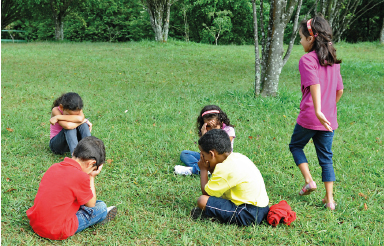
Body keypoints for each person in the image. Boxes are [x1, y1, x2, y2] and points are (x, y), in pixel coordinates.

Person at [289, 15, 344, 210]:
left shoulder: (307, 60)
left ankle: (309, 181)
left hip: (311, 115)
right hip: (328, 118)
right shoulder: (333, 61)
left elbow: (314, 85)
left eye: (302, 38)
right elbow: (340, 91)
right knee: (326, 158)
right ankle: (330, 200)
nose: (301, 42)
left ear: (311, 38)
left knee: (295, 146)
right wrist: (327, 109)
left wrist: (318, 111)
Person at [26, 136, 117, 240]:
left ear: (74, 152)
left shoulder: (54, 167)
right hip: (56, 230)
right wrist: (91, 176)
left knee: (80, 200)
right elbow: (91, 204)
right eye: (94, 168)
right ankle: (102, 214)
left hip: (35, 223)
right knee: (100, 206)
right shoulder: (81, 176)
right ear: (91, 163)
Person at [190, 129, 269, 226]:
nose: (201, 158)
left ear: (211, 154)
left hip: (249, 213)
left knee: (202, 201)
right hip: (263, 208)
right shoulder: (237, 157)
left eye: (202, 155)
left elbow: (206, 193)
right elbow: (216, 182)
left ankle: (213, 217)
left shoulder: (224, 168)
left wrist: (203, 170)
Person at [174, 105, 235, 175]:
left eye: (215, 125)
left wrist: (216, 131)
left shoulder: (229, 130)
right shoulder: (205, 131)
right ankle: (203, 169)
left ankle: (194, 170)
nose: (211, 128)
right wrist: (204, 136)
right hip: (208, 157)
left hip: (221, 159)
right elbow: (202, 148)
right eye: (208, 126)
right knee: (185, 153)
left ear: (221, 121)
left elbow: (220, 147)